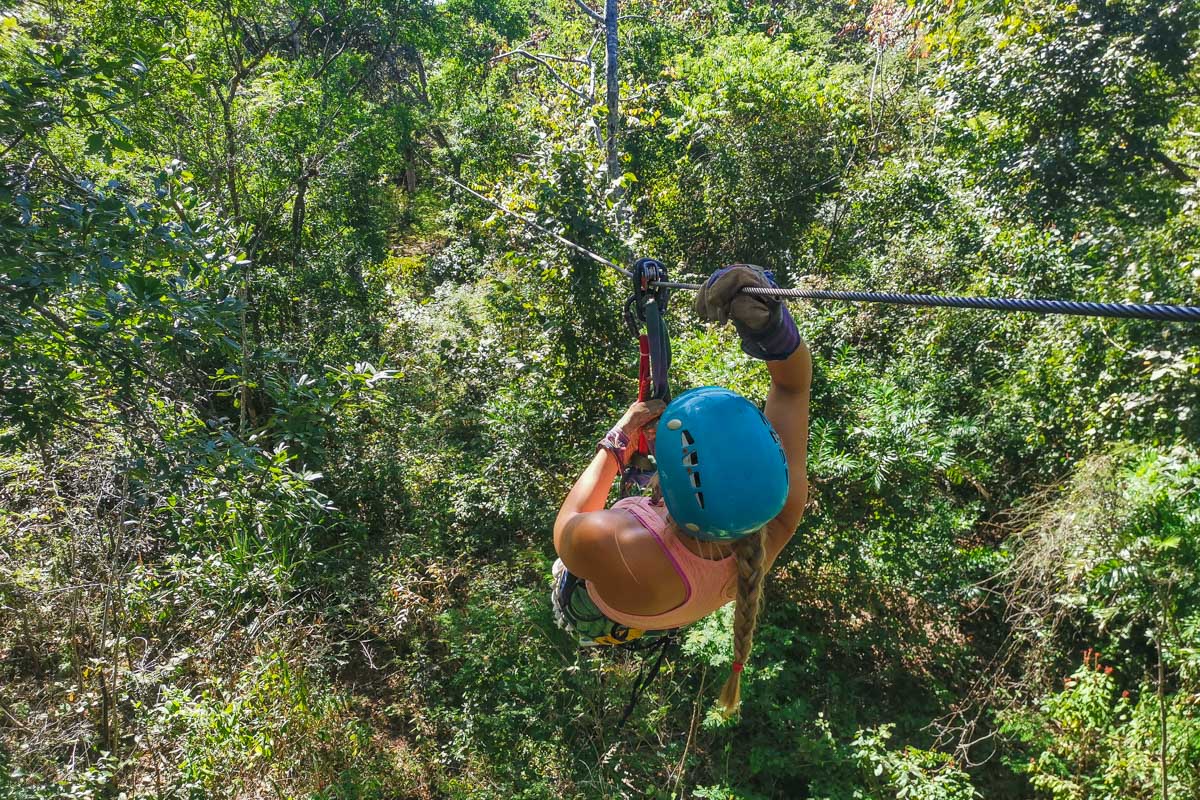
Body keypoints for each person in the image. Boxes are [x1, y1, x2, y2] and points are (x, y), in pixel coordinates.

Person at [552, 265, 812, 714]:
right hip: (663, 596)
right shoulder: (777, 511)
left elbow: (568, 527)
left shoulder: (614, 540)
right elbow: (792, 387)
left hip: (594, 605)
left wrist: (620, 439)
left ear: (666, 488)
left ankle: (641, 486)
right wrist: (772, 327)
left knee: (565, 564)